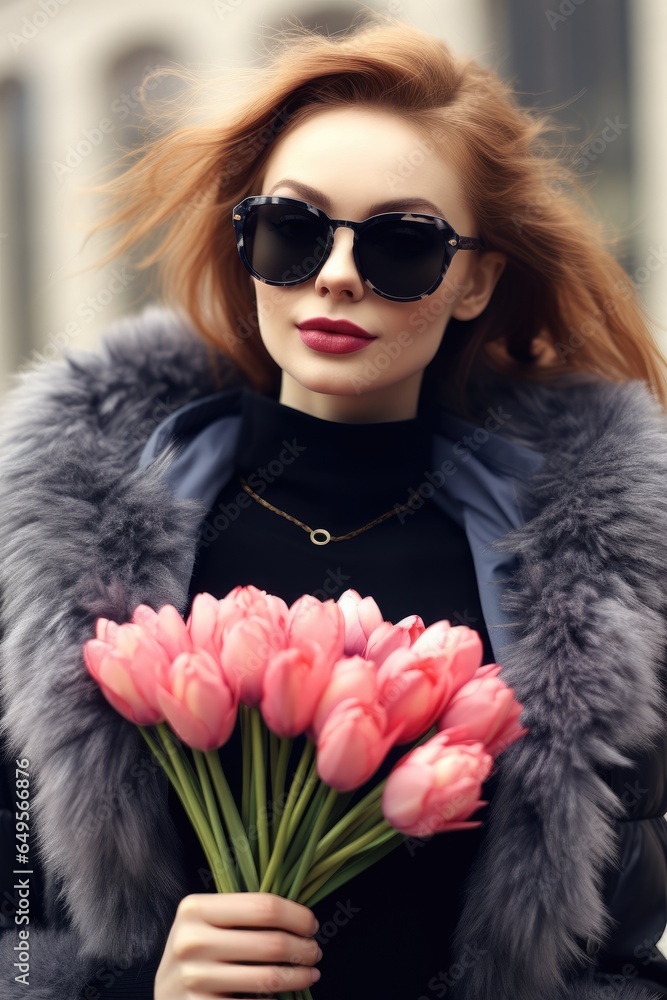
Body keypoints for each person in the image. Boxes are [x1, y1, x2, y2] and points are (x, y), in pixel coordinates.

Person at [1, 15, 666, 1000]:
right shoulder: (61, 535)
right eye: (294, 228)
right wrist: (126, 988)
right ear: (247, 242)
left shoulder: (599, 565)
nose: (337, 273)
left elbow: (624, 957)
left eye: (403, 243)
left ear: (476, 277)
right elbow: (15, 935)